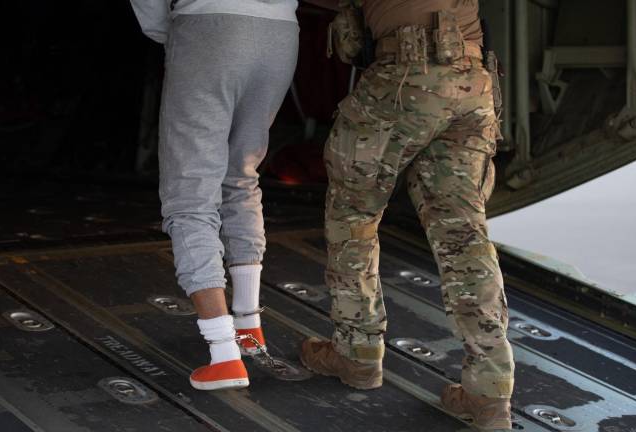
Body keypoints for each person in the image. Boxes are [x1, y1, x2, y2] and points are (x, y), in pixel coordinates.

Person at [299, 0, 514, 429]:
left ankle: (357, 353)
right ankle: (489, 391)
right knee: (463, 235)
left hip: (405, 78)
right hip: (473, 83)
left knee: (353, 216)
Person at [130, 0, 299, 390]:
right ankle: (248, 327)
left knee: (189, 194)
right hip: (280, 33)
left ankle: (223, 354)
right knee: (241, 176)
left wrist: (168, 30)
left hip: (208, 24)